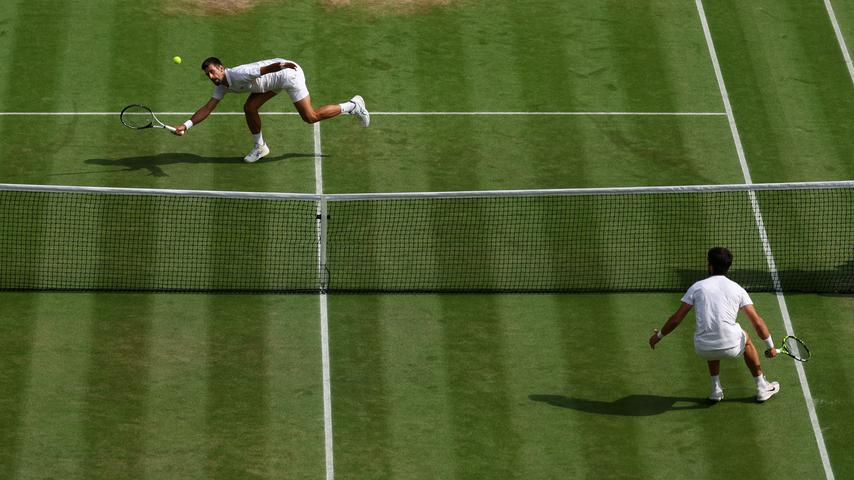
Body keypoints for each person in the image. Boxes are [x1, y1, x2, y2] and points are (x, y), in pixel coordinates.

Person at [173, 56, 369, 163]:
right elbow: (208, 108)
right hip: (270, 83)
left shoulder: (240, 74)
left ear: (222, 68)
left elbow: (265, 70)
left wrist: (284, 64)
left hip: (287, 75)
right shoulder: (221, 86)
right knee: (250, 107)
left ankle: (353, 106)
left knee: (310, 117)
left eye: (212, 72)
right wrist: (186, 125)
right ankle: (260, 147)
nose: (210, 76)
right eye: (207, 74)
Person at [648, 247, 780, 403]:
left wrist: (658, 336)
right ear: (728, 267)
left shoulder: (697, 287)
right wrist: (770, 346)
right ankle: (761, 386)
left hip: (703, 349)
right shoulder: (738, 289)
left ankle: (715, 390)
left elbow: (676, 318)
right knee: (746, 338)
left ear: (710, 266)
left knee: (710, 330)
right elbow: (757, 322)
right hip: (731, 347)